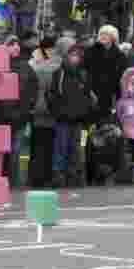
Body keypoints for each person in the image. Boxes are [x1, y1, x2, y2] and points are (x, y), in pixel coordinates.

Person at [0, 35, 37, 189]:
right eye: (11, 44)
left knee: (15, 152)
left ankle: (12, 182)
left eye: (17, 44)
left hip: (19, 117)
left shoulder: (25, 67)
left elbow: (32, 90)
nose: (15, 47)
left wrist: (26, 109)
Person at [47, 41, 96, 188]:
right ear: (66, 56)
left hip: (78, 119)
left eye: (77, 55)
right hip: (63, 119)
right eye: (72, 55)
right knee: (61, 147)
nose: (75, 58)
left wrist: (85, 112)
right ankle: (59, 175)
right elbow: (52, 96)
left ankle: (74, 175)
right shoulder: (58, 74)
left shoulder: (83, 74)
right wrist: (57, 112)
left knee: (76, 148)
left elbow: (88, 96)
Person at [29, 35, 62, 188]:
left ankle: (35, 176)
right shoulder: (56, 65)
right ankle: (45, 176)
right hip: (50, 108)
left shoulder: (33, 62)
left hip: (35, 108)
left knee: (36, 145)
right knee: (48, 145)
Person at [84, 25, 127, 120]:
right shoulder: (90, 52)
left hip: (110, 96)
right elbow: (84, 72)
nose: (103, 36)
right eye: (101, 33)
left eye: (106, 34)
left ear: (113, 37)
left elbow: (122, 76)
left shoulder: (120, 55)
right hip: (92, 93)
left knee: (107, 124)